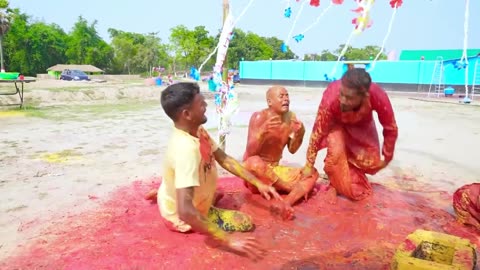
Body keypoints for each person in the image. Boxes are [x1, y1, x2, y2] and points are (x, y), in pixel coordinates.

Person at [154, 82, 282, 260]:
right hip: (181, 217)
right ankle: (169, 197)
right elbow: (185, 211)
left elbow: (224, 159)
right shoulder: (186, 150)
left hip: (181, 196)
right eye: (201, 104)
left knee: (217, 193)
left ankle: (165, 191)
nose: (206, 106)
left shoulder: (196, 130)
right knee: (244, 222)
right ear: (187, 114)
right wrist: (227, 239)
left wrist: (258, 183)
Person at [300, 68, 398, 203]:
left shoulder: (378, 95)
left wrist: (387, 156)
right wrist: (308, 165)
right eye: (342, 94)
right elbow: (318, 131)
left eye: (349, 97)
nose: (343, 100)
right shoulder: (331, 97)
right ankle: (334, 183)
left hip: (362, 125)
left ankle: (349, 175)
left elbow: (390, 127)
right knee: (335, 153)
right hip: (336, 125)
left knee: (370, 163)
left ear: (365, 96)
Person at [242, 86, 319, 220]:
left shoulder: (291, 117)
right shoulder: (259, 117)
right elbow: (250, 153)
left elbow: (292, 150)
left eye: (287, 96)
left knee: (311, 171)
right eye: (281, 96)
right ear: (270, 102)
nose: (286, 99)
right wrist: (261, 132)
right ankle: (290, 188)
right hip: (255, 176)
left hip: (275, 170)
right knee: (254, 163)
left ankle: (287, 202)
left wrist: (300, 133)